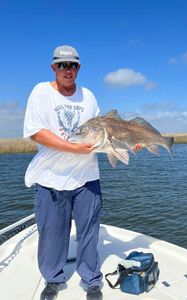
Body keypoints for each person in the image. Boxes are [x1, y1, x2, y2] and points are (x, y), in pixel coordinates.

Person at [23, 45, 103, 300]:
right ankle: (53, 278)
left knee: (89, 232)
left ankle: (91, 279)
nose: (67, 70)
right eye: (62, 65)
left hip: (87, 178)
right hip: (51, 178)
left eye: (73, 65)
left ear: (79, 68)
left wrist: (125, 142)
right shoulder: (41, 92)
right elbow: (36, 132)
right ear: (53, 67)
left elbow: (102, 132)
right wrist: (74, 148)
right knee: (52, 233)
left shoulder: (89, 96)